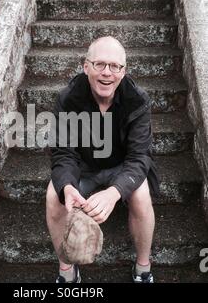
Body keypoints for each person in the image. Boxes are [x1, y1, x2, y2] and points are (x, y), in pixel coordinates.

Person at [46, 36, 159, 283]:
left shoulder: (137, 100)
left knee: (141, 195)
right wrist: (66, 186)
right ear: (86, 67)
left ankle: (143, 267)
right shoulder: (68, 98)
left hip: (123, 167)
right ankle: (66, 271)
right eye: (99, 64)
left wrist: (114, 192)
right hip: (82, 167)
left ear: (123, 71)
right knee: (54, 197)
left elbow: (140, 157)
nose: (107, 73)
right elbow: (63, 152)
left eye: (115, 66)